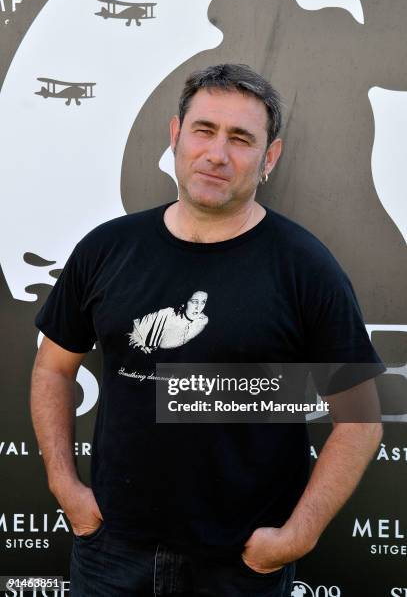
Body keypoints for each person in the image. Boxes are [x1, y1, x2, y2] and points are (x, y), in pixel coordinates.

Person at [31, 63, 384, 597]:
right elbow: (54, 368)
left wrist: (296, 536)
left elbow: (359, 420)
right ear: (176, 136)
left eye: (241, 139)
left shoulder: (305, 268)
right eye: (204, 130)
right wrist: (65, 485)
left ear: (270, 158)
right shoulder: (107, 249)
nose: (218, 154)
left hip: (241, 567)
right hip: (111, 553)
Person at [128, 290, 209, 353]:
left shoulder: (202, 322)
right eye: (195, 302)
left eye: (203, 302)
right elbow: (135, 328)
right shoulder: (166, 314)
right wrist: (139, 345)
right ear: (184, 302)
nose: (198, 307)